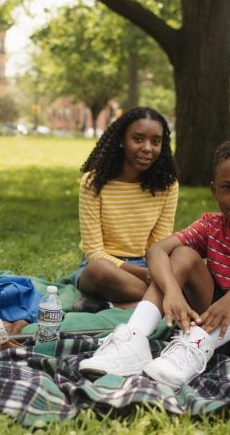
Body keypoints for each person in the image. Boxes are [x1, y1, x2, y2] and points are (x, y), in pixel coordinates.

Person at [79, 139, 230, 389]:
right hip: (215, 325)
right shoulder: (210, 225)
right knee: (182, 255)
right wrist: (172, 292)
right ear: (214, 190)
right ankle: (133, 340)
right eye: (227, 187)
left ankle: (198, 345)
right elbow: (157, 250)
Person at [74, 107, 179, 312]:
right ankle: (161, 301)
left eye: (155, 141)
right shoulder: (93, 182)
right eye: (138, 139)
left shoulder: (167, 185)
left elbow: (158, 244)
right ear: (122, 140)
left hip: (146, 265)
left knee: (184, 258)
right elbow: (94, 252)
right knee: (98, 270)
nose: (148, 148)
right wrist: (146, 277)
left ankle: (110, 305)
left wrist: (153, 271)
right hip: (104, 269)